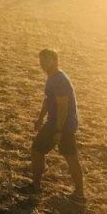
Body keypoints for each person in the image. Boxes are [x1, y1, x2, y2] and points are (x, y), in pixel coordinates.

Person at [25, 49, 84, 203]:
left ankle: (37, 187)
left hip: (61, 124)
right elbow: (48, 100)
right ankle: (79, 193)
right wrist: (39, 119)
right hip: (58, 123)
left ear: (56, 60)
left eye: (47, 60)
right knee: (69, 156)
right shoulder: (53, 77)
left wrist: (58, 130)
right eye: (41, 60)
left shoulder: (59, 80)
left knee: (38, 151)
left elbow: (63, 107)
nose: (43, 63)